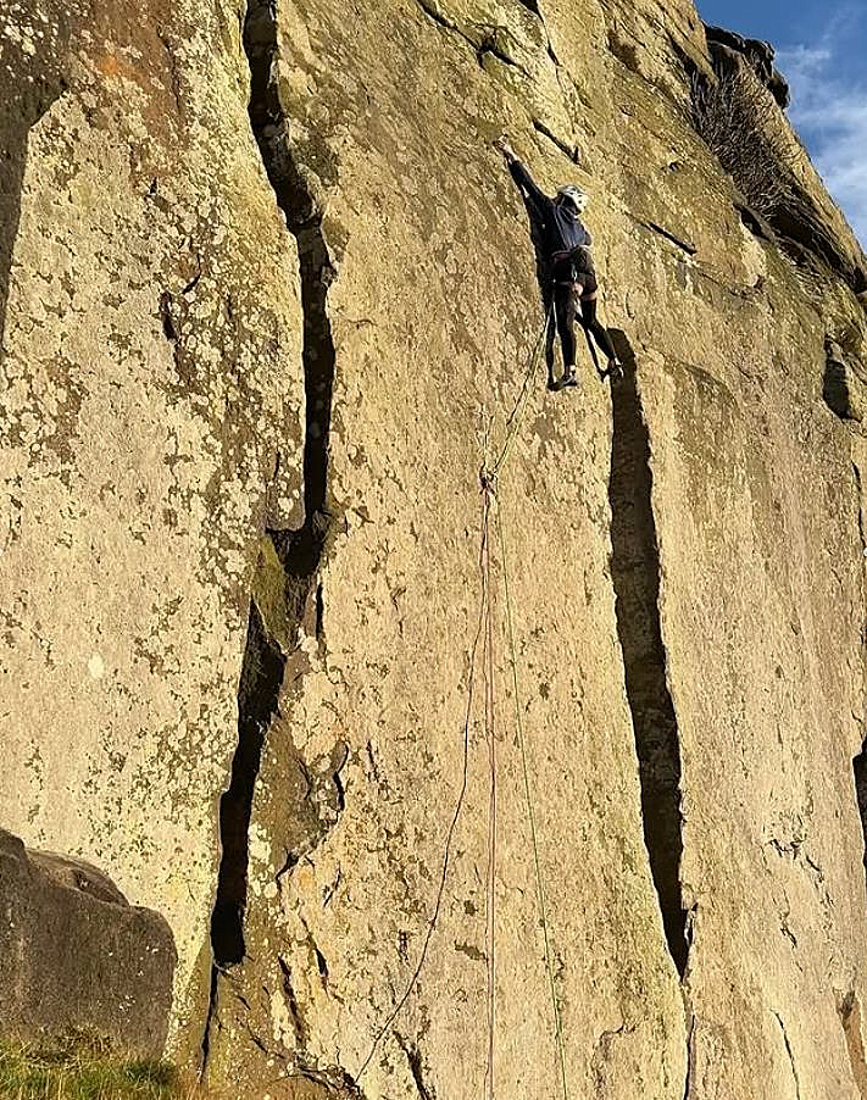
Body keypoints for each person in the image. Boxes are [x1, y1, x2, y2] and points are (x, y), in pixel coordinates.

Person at [495, 136, 623, 388]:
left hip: (567, 271)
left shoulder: (553, 211)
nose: (554, 198)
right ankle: (614, 360)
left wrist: (512, 155)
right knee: (590, 321)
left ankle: (570, 370)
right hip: (588, 277)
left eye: (558, 196)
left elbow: (529, 186)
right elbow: (589, 239)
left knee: (565, 321)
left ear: (564, 200)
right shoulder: (580, 227)